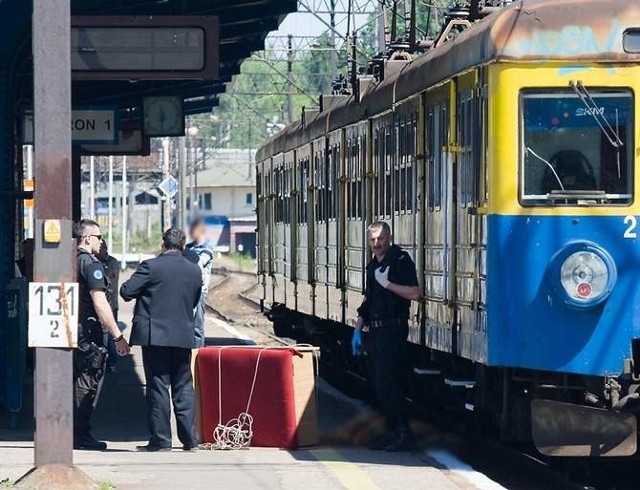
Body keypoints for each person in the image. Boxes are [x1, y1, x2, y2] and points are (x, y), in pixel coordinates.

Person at [120, 228, 202, 452]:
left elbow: (126, 291)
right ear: (183, 245)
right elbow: (194, 302)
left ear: (162, 243)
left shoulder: (151, 267)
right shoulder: (194, 271)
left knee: (158, 387)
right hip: (183, 336)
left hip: (155, 337)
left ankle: (161, 440)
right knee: (184, 387)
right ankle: (191, 440)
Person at [352, 221, 420, 452]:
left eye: (380, 238)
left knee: (387, 382)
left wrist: (389, 284)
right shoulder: (372, 266)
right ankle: (392, 431)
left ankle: (403, 432)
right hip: (376, 331)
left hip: (393, 328)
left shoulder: (400, 260)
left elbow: (415, 293)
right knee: (377, 383)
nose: (376, 243)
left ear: (389, 238)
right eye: (372, 239)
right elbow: (369, 301)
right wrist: (357, 329)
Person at [74, 219, 130, 450]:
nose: (101, 241)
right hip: (89, 332)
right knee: (87, 381)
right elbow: (100, 302)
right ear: (87, 238)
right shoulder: (91, 264)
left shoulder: (72, 261)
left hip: (74, 329)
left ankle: (74, 432)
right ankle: (80, 435)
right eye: (99, 236)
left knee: (77, 378)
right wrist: (118, 336)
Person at [184, 219, 214, 348]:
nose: (191, 233)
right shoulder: (188, 247)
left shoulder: (207, 248)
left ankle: (197, 354)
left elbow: (198, 263)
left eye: (193, 230)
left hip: (200, 290)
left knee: (197, 324)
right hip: (186, 289)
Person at [97, 239, 121, 373]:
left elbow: (109, 275)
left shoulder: (112, 262)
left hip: (111, 305)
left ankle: (112, 362)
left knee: (111, 333)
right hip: (99, 303)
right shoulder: (95, 261)